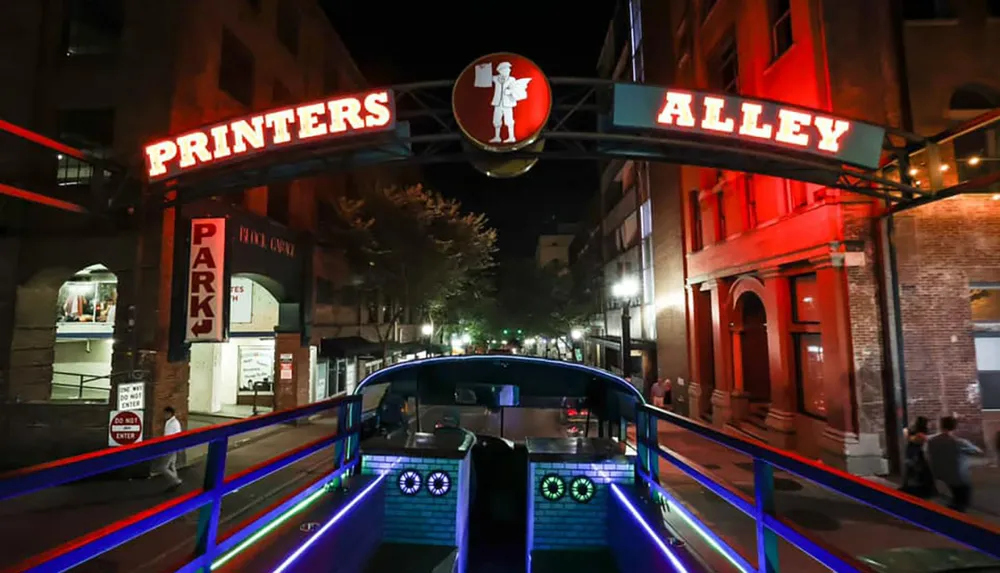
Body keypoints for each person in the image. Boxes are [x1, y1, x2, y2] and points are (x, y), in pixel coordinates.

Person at [926, 415, 982, 512]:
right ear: (954, 427)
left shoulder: (931, 441)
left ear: (940, 426)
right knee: (962, 501)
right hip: (958, 477)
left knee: (951, 500)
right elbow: (978, 452)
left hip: (939, 476)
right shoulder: (959, 442)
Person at [899, 416, 935, 499]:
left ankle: (909, 489)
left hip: (911, 454)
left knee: (911, 472)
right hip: (916, 455)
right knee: (921, 473)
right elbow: (920, 440)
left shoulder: (912, 432)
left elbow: (906, 432)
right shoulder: (920, 434)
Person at [159, 406, 183, 490]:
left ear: (169, 413)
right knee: (171, 465)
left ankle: (175, 480)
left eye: (165, 413)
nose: (163, 415)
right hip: (173, 447)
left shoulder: (173, 423)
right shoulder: (171, 422)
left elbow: (172, 436)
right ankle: (174, 483)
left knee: (163, 467)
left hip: (170, 447)